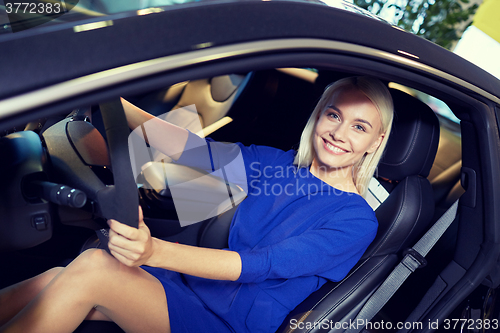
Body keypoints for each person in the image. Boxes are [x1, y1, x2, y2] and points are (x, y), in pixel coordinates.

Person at [0, 76, 393, 333]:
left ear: (376, 141)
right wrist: (108, 101)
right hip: (188, 290)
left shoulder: (356, 220)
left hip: (228, 323)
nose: (339, 133)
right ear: (319, 115)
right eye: (334, 115)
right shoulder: (278, 164)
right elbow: (195, 152)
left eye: (359, 127)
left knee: (94, 269)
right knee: (55, 276)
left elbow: (260, 264)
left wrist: (153, 251)